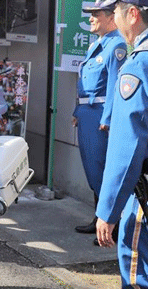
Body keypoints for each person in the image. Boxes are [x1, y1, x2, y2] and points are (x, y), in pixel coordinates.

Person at [95, 0, 148, 289]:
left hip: (144, 199)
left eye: (114, 12)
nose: (112, 20)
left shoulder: (138, 64)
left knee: (141, 287)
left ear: (132, 13)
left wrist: (108, 209)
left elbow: (127, 147)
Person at [73, 0, 127, 242]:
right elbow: (86, 83)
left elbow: (117, 84)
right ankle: (98, 220)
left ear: (111, 18)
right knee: (92, 169)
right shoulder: (97, 45)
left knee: (103, 170)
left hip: (100, 116)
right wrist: (77, 110)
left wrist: (108, 118)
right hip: (88, 114)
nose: (91, 19)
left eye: (96, 14)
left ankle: (111, 227)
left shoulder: (117, 45)